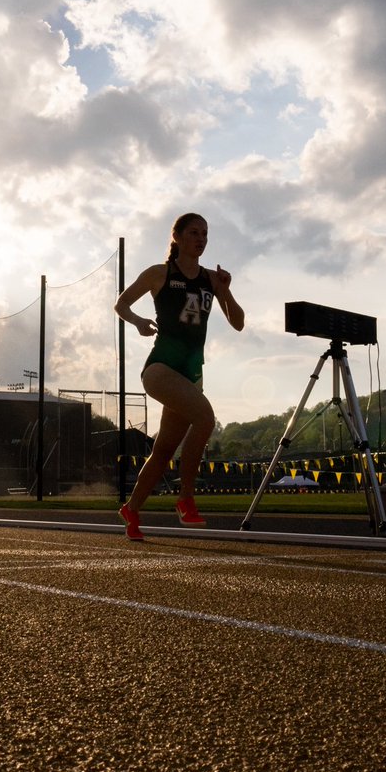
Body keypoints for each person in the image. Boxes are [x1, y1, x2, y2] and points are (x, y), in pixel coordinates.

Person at [114, 212, 244, 541]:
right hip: (160, 368)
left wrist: (225, 291)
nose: (201, 239)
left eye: (205, 233)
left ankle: (131, 509)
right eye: (194, 233)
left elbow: (239, 322)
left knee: (163, 450)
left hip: (191, 375)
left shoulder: (211, 281)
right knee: (205, 418)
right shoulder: (160, 273)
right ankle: (186, 497)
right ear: (178, 237)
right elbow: (121, 303)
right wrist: (138, 321)